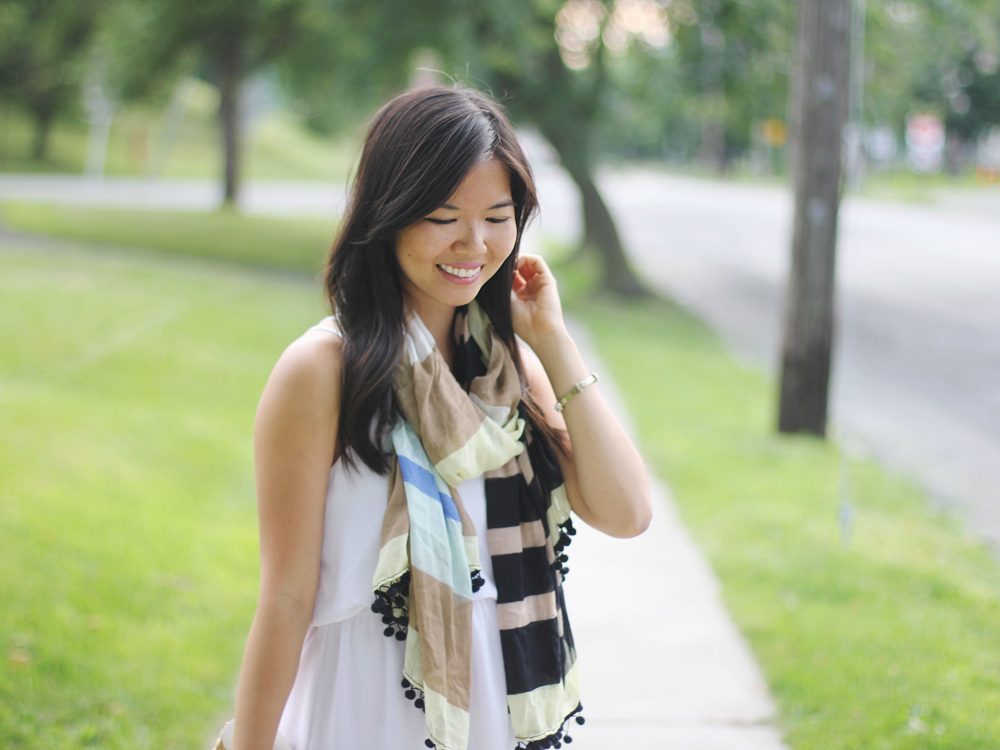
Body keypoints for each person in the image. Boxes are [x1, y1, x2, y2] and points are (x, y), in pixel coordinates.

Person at [229, 85, 651, 750]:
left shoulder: (507, 369)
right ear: (388, 213)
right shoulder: (322, 371)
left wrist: (554, 342)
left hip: (499, 707)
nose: (474, 243)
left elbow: (627, 512)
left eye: (497, 216)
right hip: (367, 707)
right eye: (442, 215)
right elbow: (285, 598)